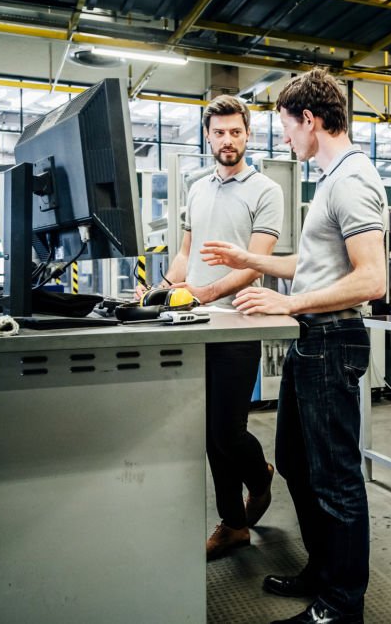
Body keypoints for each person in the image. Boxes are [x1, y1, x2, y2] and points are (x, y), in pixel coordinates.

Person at [201, 69, 387, 624]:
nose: (284, 140)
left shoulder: (352, 179)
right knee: (296, 466)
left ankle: (341, 604)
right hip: (314, 340)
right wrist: (250, 261)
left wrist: (288, 304)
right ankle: (322, 572)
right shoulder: (329, 179)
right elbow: (310, 266)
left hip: (331, 340)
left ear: (310, 120)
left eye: (286, 128)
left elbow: (371, 279)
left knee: (335, 479)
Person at [151, 94, 284, 561]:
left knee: (228, 431)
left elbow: (254, 264)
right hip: (196, 324)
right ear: (207, 136)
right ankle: (233, 524)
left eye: (235, 132)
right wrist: (159, 288)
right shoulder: (196, 187)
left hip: (239, 322)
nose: (227, 140)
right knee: (208, 433)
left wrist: (205, 294)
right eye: (219, 132)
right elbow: (187, 253)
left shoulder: (266, 190)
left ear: (247, 135)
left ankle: (261, 475)